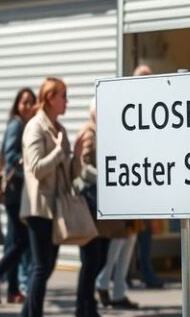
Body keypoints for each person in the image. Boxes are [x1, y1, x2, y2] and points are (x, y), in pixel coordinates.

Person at [19, 77, 70, 317]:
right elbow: (36, 167)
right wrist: (59, 152)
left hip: (56, 207)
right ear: (50, 98)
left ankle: (26, 314)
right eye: (63, 96)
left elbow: (68, 171)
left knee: (46, 266)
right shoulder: (35, 127)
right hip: (39, 206)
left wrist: (74, 155)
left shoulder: (58, 129)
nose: (66, 101)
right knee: (41, 267)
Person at [0, 87, 36, 305]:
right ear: (17, 105)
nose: (26, 106)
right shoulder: (17, 124)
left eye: (30, 102)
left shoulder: (25, 124)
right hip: (15, 191)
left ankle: (12, 289)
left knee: (16, 240)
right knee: (22, 241)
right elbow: (11, 155)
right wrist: (30, 160)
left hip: (21, 190)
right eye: (23, 102)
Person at [72, 98, 110, 317]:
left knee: (99, 258)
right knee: (91, 259)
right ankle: (83, 307)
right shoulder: (89, 133)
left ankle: (88, 305)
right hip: (90, 203)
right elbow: (83, 167)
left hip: (99, 204)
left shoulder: (100, 131)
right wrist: (107, 177)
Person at [127, 65, 164, 290]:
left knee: (146, 230)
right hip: (132, 176)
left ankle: (145, 271)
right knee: (130, 231)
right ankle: (127, 273)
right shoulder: (129, 105)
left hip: (150, 174)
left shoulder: (154, 105)